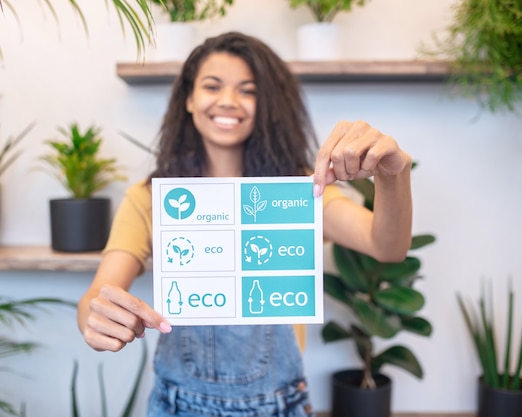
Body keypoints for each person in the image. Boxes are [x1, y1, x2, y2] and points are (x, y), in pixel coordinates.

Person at [77, 31, 412, 417]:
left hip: (279, 406)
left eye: (247, 90)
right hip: (176, 405)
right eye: (212, 86)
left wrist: (394, 174)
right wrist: (97, 316)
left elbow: (387, 245)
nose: (228, 101)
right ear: (188, 98)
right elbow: (97, 295)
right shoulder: (152, 198)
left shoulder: (299, 193)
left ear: (266, 104)